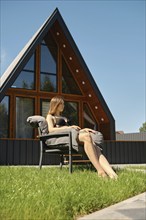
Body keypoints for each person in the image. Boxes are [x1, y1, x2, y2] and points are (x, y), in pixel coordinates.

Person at [46, 96, 118, 179]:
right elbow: (51, 130)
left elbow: (73, 129)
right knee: (87, 137)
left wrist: (83, 129)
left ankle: (112, 174)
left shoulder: (64, 117)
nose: (63, 106)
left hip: (73, 134)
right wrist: (68, 128)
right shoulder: (50, 117)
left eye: (63, 104)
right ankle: (100, 171)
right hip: (65, 137)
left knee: (95, 146)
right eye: (61, 104)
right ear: (55, 105)